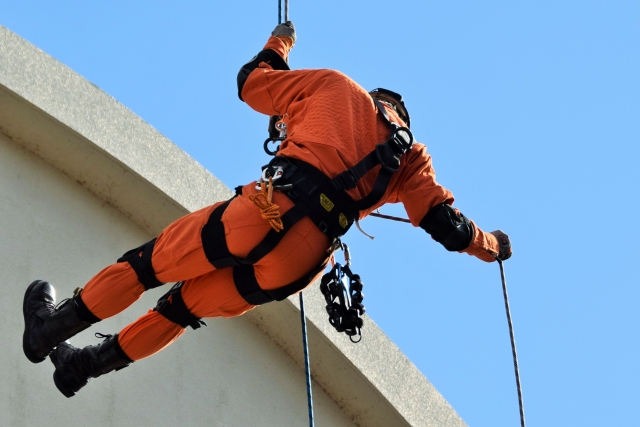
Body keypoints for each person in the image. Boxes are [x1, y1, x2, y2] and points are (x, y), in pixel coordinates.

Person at [22, 21, 512, 398]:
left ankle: (48, 331)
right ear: (400, 120)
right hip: (300, 262)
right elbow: (446, 225)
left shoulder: (338, 88)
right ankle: (80, 368)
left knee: (149, 265)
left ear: (375, 97)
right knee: (179, 310)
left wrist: (279, 43)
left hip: (266, 209)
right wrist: (491, 246)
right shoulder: (410, 158)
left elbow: (252, 83)